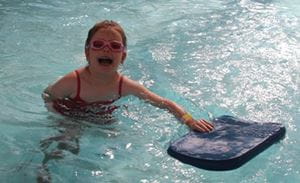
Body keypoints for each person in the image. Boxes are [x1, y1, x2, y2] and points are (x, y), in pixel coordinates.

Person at [42, 20, 214, 132]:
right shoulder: (73, 81)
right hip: (72, 114)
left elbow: (166, 103)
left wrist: (189, 121)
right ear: (87, 53)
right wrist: (61, 117)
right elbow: (48, 95)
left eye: (115, 46)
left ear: (123, 56)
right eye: (98, 44)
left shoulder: (125, 86)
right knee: (65, 141)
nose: (106, 49)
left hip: (103, 117)